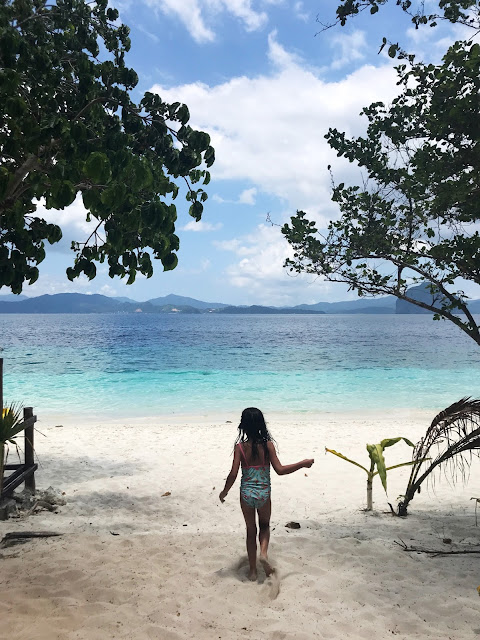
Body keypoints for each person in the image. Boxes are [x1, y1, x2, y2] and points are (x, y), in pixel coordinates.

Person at [219, 407, 314, 581]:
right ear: (262, 425)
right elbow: (280, 470)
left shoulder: (240, 447)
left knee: (250, 530)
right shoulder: (268, 445)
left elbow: (233, 474)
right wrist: (303, 463)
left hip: (246, 494)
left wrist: (224, 492)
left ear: (243, 426)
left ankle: (253, 571)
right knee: (264, 526)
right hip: (264, 493)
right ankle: (263, 554)